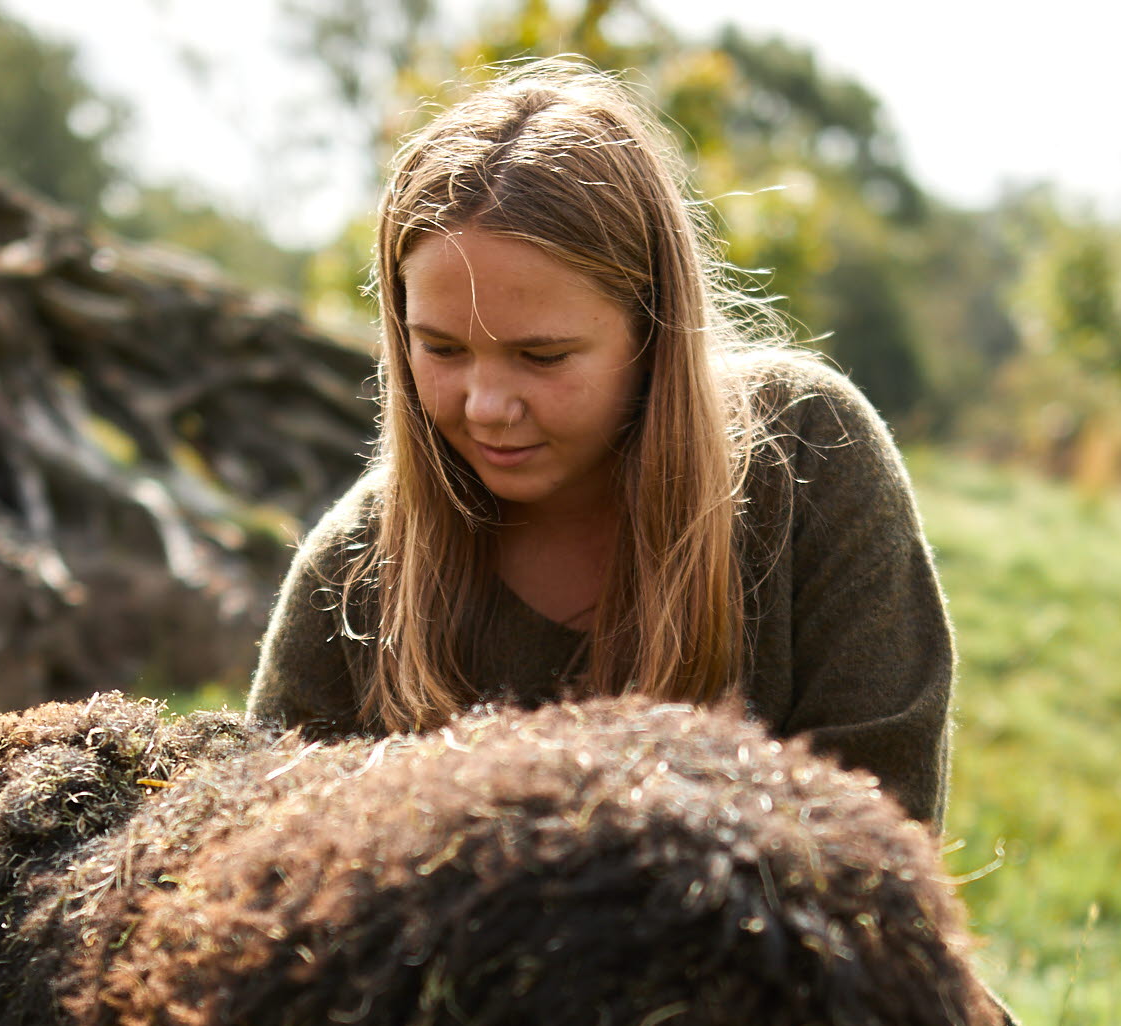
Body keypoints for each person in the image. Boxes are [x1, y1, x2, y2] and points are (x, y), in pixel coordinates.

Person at [248, 59, 957, 828]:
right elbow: (260, 872)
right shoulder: (353, 573)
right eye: (441, 349)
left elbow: (885, 840)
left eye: (542, 356)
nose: (486, 407)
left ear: (652, 329)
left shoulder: (807, 455)